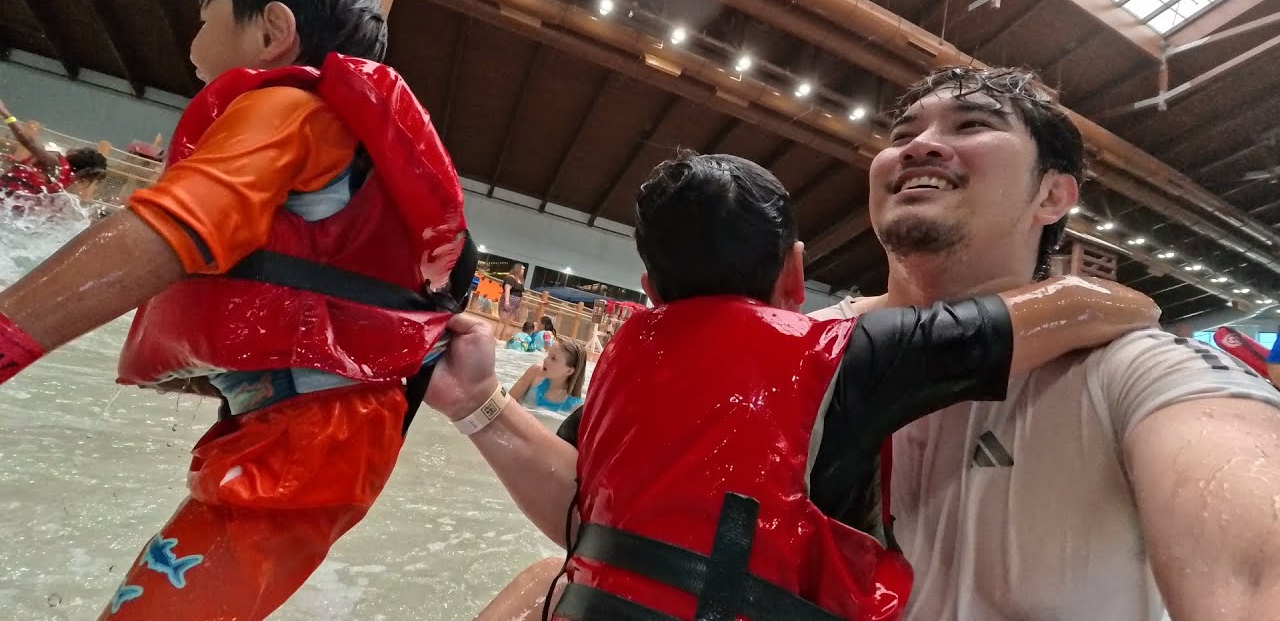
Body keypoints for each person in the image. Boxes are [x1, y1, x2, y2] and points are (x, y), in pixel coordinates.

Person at [425, 150, 1159, 620]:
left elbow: (583, 523)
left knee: (537, 581)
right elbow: (1089, 307)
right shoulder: (855, 352)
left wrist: (477, 404)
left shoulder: (621, 361)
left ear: (649, 289)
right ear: (795, 275)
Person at [0, 0, 472, 620]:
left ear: (273, 31)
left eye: (206, 16)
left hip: (309, 445)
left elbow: (168, 232)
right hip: (318, 438)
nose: (194, 35)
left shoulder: (286, 109)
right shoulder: (331, 127)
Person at [806, 66, 1280, 620]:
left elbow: (1256, 563)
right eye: (903, 136)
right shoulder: (801, 350)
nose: (922, 147)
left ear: (1052, 194)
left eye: (973, 124)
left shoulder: (1131, 366)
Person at [0, 98, 108, 197]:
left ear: (77, 155)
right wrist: (19, 165)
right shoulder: (65, 176)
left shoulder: (56, 164)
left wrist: (5, 113)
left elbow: (28, 142)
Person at [508, 337, 586, 415]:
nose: (545, 360)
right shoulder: (535, 372)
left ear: (569, 371)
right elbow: (507, 401)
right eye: (548, 354)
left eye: (553, 358)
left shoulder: (573, 406)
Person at [499, 263, 527, 340]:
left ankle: (502, 338)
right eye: (522, 270)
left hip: (515, 304)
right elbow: (507, 289)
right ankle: (496, 337)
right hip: (508, 301)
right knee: (502, 321)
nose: (523, 271)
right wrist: (506, 302)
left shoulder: (520, 280)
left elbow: (520, 293)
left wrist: (519, 306)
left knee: (508, 323)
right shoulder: (511, 278)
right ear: (518, 270)